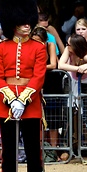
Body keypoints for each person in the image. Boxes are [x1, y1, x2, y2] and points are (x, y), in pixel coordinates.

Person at [0, 0, 47, 172]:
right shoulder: (1, 48)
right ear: (12, 22)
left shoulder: (39, 47)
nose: (27, 25)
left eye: (28, 22)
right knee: (9, 155)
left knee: (34, 153)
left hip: (31, 105)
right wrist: (11, 99)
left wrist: (22, 99)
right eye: (22, 22)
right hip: (6, 106)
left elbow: (38, 76)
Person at [29, 26, 67, 161]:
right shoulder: (30, 47)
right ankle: (38, 151)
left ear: (45, 40)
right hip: (36, 83)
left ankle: (54, 150)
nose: (37, 44)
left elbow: (53, 64)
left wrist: (38, 68)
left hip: (51, 83)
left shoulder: (50, 45)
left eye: (39, 41)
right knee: (36, 119)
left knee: (53, 119)